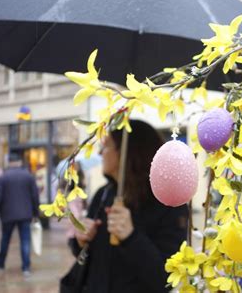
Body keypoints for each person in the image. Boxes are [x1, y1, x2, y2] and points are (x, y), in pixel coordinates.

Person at [68, 120, 188, 293]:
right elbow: (86, 256)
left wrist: (131, 237)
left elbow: (166, 278)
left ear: (128, 151)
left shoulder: (168, 201)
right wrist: (80, 240)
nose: (101, 153)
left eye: (107, 146)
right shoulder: (104, 194)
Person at [0, 152, 40, 277]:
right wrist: (35, 213)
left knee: (5, 239)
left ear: (9, 163)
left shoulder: (3, 177)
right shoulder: (28, 176)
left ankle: (0, 262)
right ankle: (26, 267)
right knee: (25, 240)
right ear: (20, 162)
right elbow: (35, 196)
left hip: (7, 214)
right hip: (25, 214)